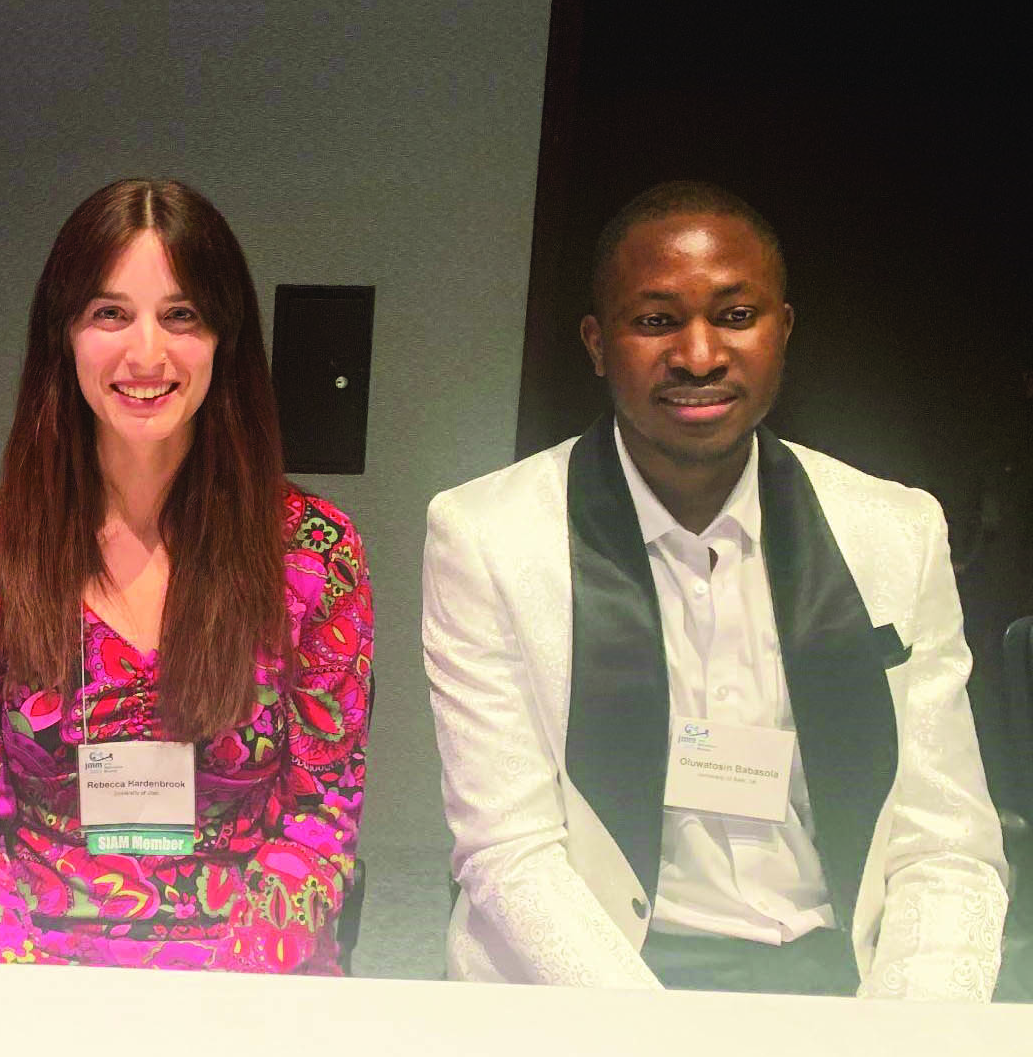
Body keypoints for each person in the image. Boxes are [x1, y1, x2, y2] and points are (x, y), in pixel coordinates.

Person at [422, 181, 1009, 998]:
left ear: (783, 329)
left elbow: (945, 844)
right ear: (597, 342)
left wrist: (907, 1039)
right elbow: (508, 852)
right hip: (593, 987)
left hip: (843, 977)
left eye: (735, 316)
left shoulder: (896, 533)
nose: (699, 355)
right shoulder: (487, 535)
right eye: (656, 320)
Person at [0, 179, 373, 972]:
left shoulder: (313, 554)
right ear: (64, 336)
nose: (147, 353)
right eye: (110, 313)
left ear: (224, 338)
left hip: (249, 982)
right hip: (27, 974)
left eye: (181, 315)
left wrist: (217, 1006)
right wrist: (24, 993)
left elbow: (319, 816)